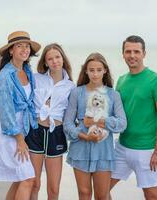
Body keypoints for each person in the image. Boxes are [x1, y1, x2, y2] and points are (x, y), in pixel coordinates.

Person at [110, 35, 157, 200]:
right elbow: (116, 115)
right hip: (121, 147)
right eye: (128, 51)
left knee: (151, 196)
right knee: (102, 190)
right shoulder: (121, 81)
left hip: (147, 151)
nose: (132, 55)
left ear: (144, 53)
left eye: (136, 51)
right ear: (123, 54)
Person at [63, 52, 127, 200]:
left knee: (102, 196)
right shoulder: (76, 93)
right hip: (80, 149)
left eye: (99, 70)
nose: (95, 74)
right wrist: (84, 136)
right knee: (84, 194)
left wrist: (96, 121)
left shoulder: (113, 95)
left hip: (104, 151)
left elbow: (122, 123)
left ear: (105, 70)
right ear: (86, 71)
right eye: (91, 70)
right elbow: (67, 123)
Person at [0, 31, 41, 200]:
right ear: (11, 50)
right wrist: (19, 139)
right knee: (28, 178)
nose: (24, 50)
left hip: (24, 128)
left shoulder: (27, 71)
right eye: (20, 46)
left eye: (27, 46)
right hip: (10, 132)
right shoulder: (5, 77)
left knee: (20, 179)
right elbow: (5, 112)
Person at [25, 43, 75, 199]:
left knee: (53, 188)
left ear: (63, 58)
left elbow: (72, 115)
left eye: (57, 57)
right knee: (34, 183)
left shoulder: (71, 86)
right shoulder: (36, 79)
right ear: (45, 62)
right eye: (50, 59)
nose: (55, 61)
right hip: (35, 132)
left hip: (56, 134)